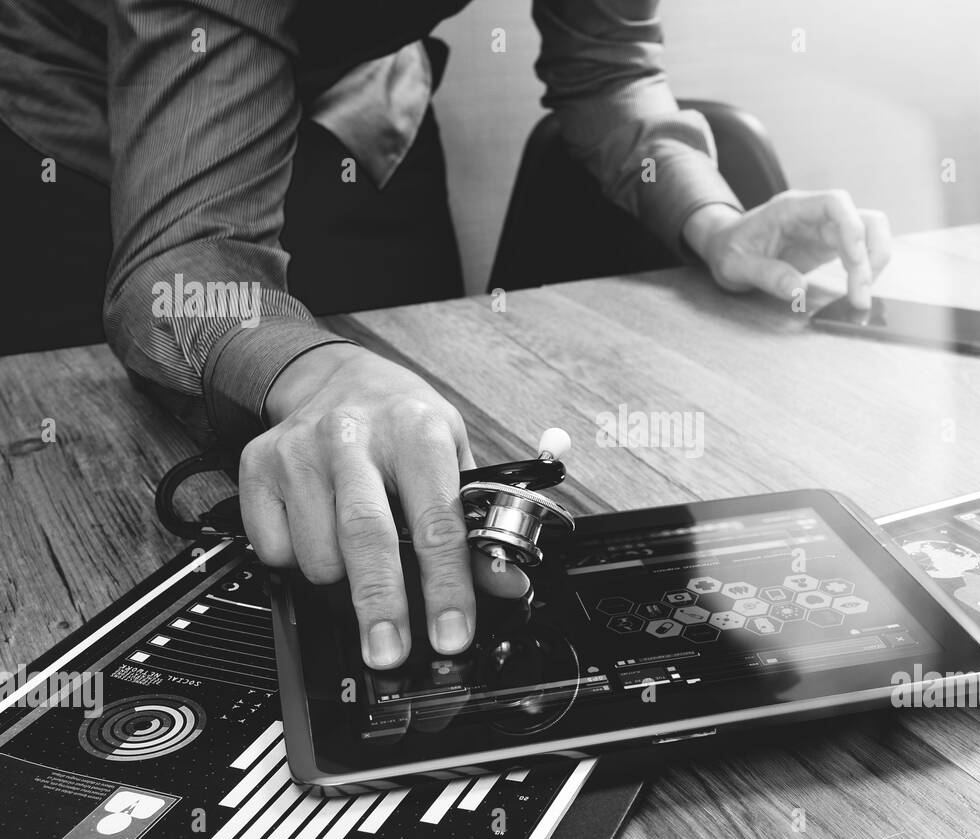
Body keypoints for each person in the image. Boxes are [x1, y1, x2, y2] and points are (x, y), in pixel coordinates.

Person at [1, 1, 892, 669]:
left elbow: (607, 68)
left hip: (353, 103)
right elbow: (186, 259)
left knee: (396, 470)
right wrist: (312, 378)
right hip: (93, 116)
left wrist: (710, 215)